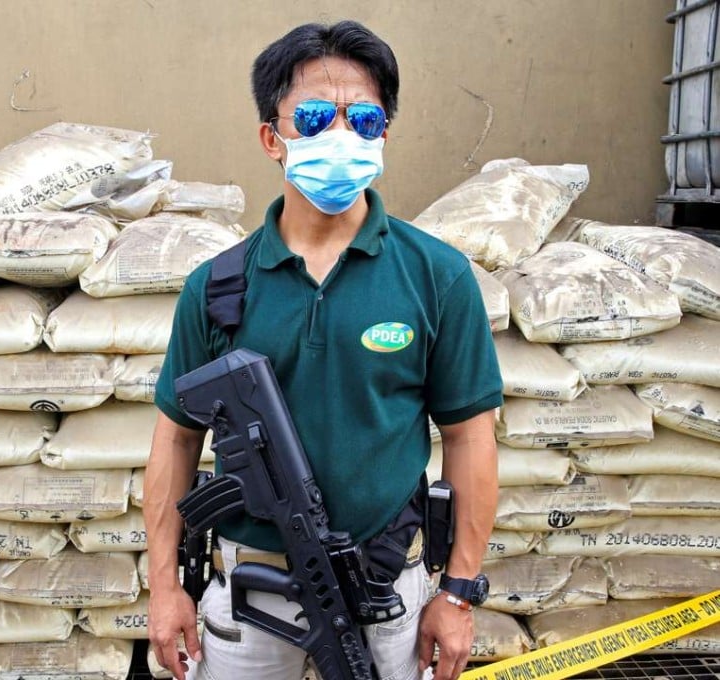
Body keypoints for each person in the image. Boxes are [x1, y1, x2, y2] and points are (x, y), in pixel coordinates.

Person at [143, 19, 502, 680]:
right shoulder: (218, 286)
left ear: (384, 136)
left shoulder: (436, 276)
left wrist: (457, 593)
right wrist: (165, 588)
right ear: (271, 139)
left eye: (363, 119)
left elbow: (470, 439)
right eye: (312, 116)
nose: (340, 134)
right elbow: (174, 442)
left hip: (384, 588)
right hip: (248, 587)